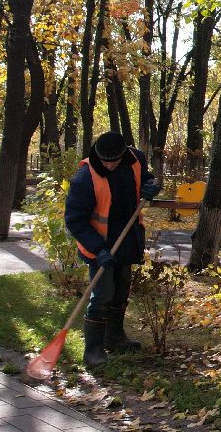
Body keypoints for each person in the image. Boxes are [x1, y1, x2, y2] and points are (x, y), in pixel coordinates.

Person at [64, 132, 159, 368]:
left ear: (123, 154)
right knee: (102, 295)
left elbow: (146, 179)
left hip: (126, 239)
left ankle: (115, 338)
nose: (108, 164)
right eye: (104, 160)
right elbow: (75, 220)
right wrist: (98, 249)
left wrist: (150, 186)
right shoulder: (86, 177)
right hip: (99, 245)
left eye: (113, 161)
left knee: (121, 292)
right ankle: (93, 351)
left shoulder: (135, 159)